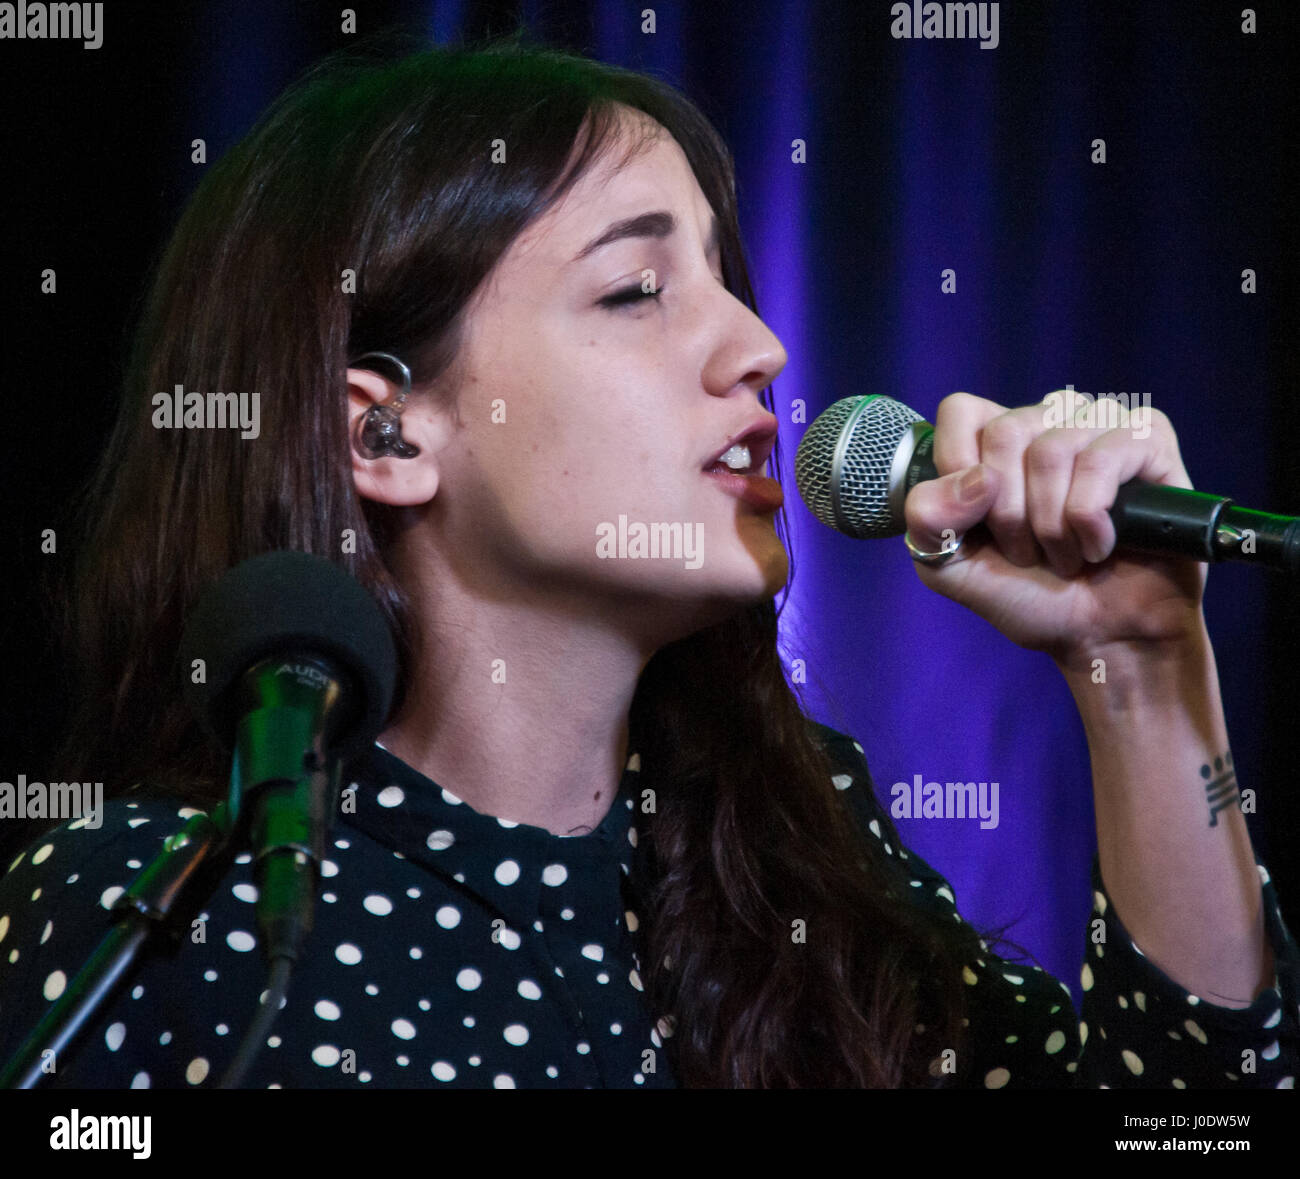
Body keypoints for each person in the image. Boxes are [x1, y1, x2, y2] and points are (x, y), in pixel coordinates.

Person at [0, 32, 1295, 1090]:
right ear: (386, 432)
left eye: (728, 281)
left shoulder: (794, 854)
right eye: (637, 291)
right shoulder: (161, 912)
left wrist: (1143, 666)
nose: (760, 349)